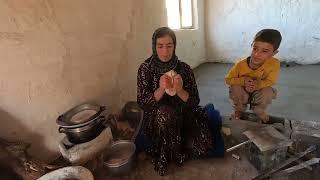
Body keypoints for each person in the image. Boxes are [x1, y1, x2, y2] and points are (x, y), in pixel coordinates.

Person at [136, 27, 223, 176]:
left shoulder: (185, 69)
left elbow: (194, 101)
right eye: (160, 46)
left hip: (184, 114)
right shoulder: (146, 69)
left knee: (204, 147)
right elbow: (143, 103)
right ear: (154, 46)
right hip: (159, 119)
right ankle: (172, 150)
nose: (165, 51)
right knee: (166, 115)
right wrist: (161, 89)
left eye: (169, 46)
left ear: (174, 46)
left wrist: (180, 90)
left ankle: (180, 142)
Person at [225, 29, 282, 124]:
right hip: (243, 92)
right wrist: (244, 81)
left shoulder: (274, 64)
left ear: (274, 53)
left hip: (259, 90)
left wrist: (259, 84)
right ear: (252, 45)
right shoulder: (240, 65)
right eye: (255, 48)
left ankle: (259, 111)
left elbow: (271, 81)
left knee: (268, 91)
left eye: (264, 51)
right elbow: (228, 79)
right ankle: (239, 111)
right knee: (235, 87)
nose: (256, 54)